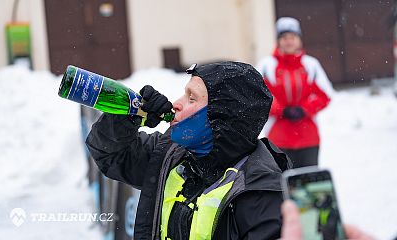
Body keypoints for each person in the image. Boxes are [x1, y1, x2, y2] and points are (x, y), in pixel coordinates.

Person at [86, 62, 291, 239]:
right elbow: (111, 154)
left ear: (221, 118)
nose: (176, 104)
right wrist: (130, 116)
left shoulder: (262, 195)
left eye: (191, 99)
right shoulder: (171, 155)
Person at [256, 17, 334, 168]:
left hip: (308, 137)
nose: (289, 41)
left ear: (299, 40)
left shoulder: (311, 65)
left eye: (293, 37)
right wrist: (281, 110)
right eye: (284, 37)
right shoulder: (266, 66)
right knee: (280, 183)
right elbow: (259, 95)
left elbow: (325, 94)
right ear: (278, 41)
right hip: (278, 138)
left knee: (307, 183)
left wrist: (304, 109)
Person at [281, 200, 375, 240]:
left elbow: (335, 222)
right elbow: (319, 220)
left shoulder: (332, 211)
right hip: (324, 231)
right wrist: (318, 228)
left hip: (330, 231)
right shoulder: (322, 210)